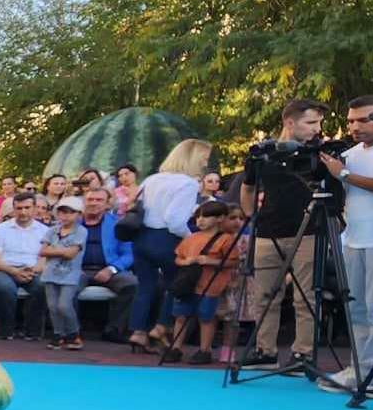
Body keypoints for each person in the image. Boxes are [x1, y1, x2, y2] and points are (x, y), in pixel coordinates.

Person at [314, 96, 373, 393]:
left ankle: (367, 373)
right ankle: (357, 368)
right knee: (357, 310)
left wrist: (343, 174)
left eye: (364, 119)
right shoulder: (348, 154)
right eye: (351, 121)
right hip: (354, 240)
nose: (356, 126)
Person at [238, 99, 329, 372]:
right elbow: (247, 186)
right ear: (290, 122)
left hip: (308, 230)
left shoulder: (318, 153)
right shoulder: (264, 154)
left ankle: (303, 353)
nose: (317, 129)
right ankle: (265, 350)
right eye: (311, 123)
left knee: (306, 297)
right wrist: (252, 217)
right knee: (265, 295)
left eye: (319, 123)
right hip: (268, 231)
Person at [130, 139, 214, 351]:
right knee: (177, 285)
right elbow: (174, 220)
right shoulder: (187, 184)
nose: (205, 164)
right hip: (166, 238)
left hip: (141, 237)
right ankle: (161, 326)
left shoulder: (151, 179)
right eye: (204, 159)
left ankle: (138, 331)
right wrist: (190, 239)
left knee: (145, 286)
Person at [163, 201, 243, 365]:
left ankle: (204, 349)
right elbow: (178, 257)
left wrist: (210, 261)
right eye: (198, 217)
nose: (200, 220)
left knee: (206, 318)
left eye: (206, 217)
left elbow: (233, 261)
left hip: (210, 285)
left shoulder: (226, 239)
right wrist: (185, 262)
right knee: (181, 316)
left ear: (220, 218)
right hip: (188, 284)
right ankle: (176, 347)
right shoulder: (191, 238)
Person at [74, 188, 137, 343]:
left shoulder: (118, 224)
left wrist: (111, 269)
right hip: (77, 269)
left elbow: (128, 254)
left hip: (109, 269)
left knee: (132, 284)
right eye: (90, 199)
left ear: (108, 204)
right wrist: (74, 268)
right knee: (67, 285)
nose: (94, 203)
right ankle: (72, 330)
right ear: (84, 202)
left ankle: (114, 330)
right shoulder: (72, 223)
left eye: (99, 200)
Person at [0, 194, 49, 340]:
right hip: (4, 269)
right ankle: (6, 330)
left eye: (27, 208)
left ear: (34, 208)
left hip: (32, 270)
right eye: (19, 208)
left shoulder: (45, 231)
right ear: (13, 209)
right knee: (6, 288)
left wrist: (32, 271)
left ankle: (33, 331)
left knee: (42, 286)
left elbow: (45, 258)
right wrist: (14, 271)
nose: (23, 212)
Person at [39, 196, 88, 350]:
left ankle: (73, 333)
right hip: (50, 273)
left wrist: (54, 250)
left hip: (70, 274)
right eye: (62, 212)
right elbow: (43, 251)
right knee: (52, 306)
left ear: (79, 214)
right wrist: (62, 251)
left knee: (64, 305)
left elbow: (71, 254)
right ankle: (58, 333)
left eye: (71, 212)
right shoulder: (52, 230)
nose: (65, 216)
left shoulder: (81, 231)